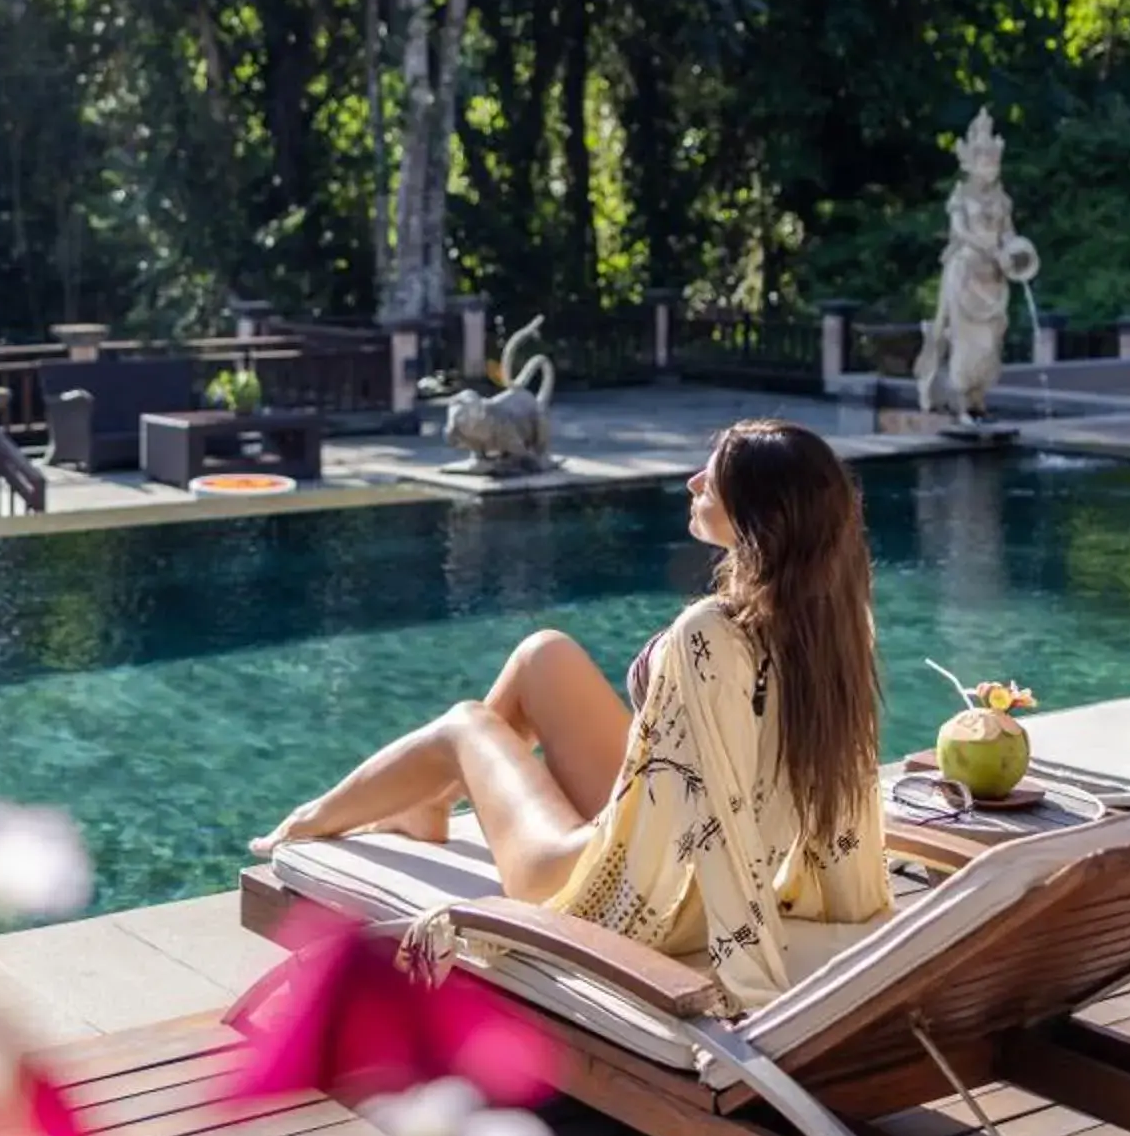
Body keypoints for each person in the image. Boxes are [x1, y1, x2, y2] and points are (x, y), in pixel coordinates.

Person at [252, 417, 894, 1011]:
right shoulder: (835, 623)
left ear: (757, 512)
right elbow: (844, 797)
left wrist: (749, 983)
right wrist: (858, 913)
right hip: (663, 841)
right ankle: (432, 802)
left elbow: (721, 819)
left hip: (621, 895)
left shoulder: (712, 633)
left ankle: (311, 821)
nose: (694, 481)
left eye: (714, 476)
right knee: (544, 655)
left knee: (466, 724)